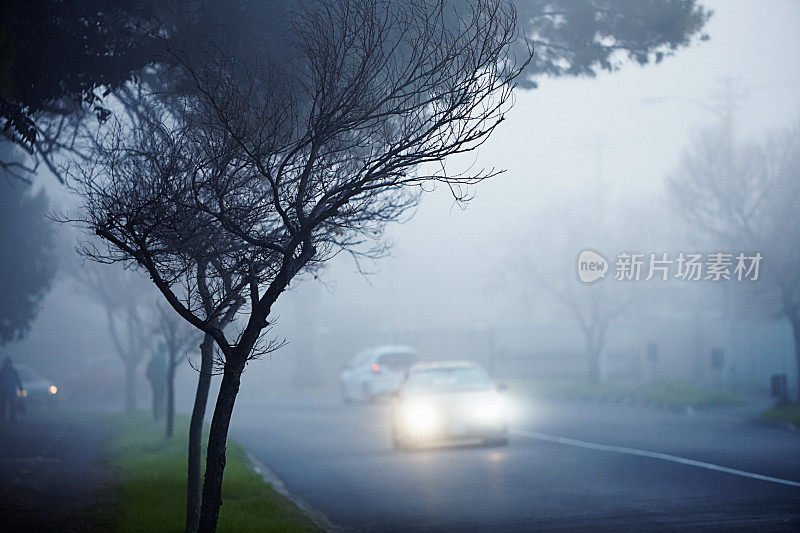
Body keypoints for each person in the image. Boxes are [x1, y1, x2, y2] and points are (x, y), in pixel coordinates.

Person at [146, 343, 167, 422]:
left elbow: (148, 372)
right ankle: (159, 416)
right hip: (160, 381)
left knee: (156, 398)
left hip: (155, 382)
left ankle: (157, 416)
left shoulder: (155, 358)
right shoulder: (163, 358)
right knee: (161, 398)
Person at [0, 357, 23, 422]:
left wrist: (20, 388)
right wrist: (20, 388)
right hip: (6, 390)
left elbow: (18, 380)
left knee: (9, 404)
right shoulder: (6, 371)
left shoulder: (3, 371)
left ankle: (8, 417)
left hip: (7, 390)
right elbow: (18, 380)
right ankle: (6, 417)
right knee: (6, 404)